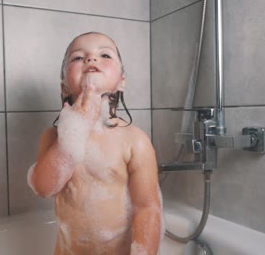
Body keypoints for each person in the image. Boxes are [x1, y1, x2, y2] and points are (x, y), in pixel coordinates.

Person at [27, 32, 163, 255]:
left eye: (105, 55)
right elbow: (44, 187)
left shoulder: (133, 140)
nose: (91, 59)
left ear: (121, 82)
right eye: (78, 58)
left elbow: (147, 208)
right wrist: (75, 131)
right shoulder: (53, 137)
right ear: (64, 88)